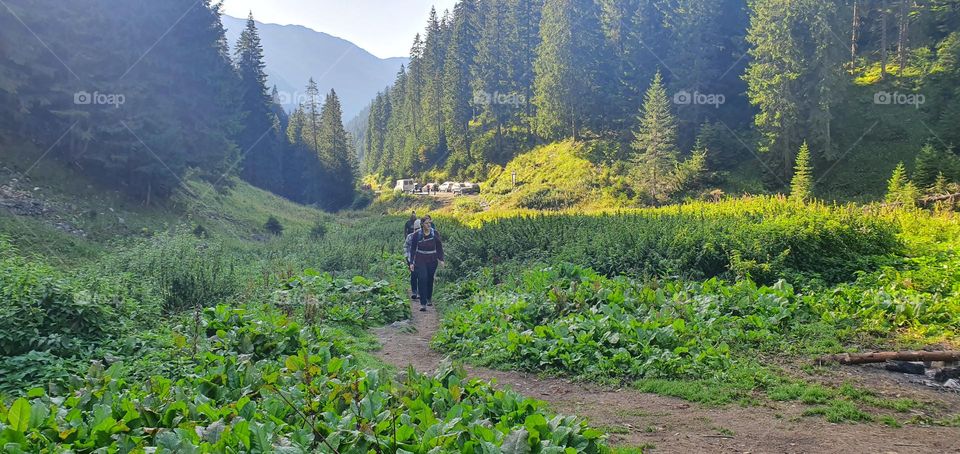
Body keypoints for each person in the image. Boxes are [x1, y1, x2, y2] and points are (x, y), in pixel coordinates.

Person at [406, 217, 444, 311]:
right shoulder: (416, 235)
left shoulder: (434, 233)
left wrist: (441, 259)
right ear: (422, 224)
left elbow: (439, 246)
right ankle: (423, 303)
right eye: (427, 223)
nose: (429, 225)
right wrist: (411, 262)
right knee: (422, 279)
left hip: (432, 259)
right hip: (420, 260)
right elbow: (413, 249)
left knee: (429, 279)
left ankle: (428, 298)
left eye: (430, 223)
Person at [403, 219, 421, 301]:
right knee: (414, 275)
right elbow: (406, 247)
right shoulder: (410, 237)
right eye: (416, 229)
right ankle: (414, 291)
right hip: (412, 259)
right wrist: (407, 257)